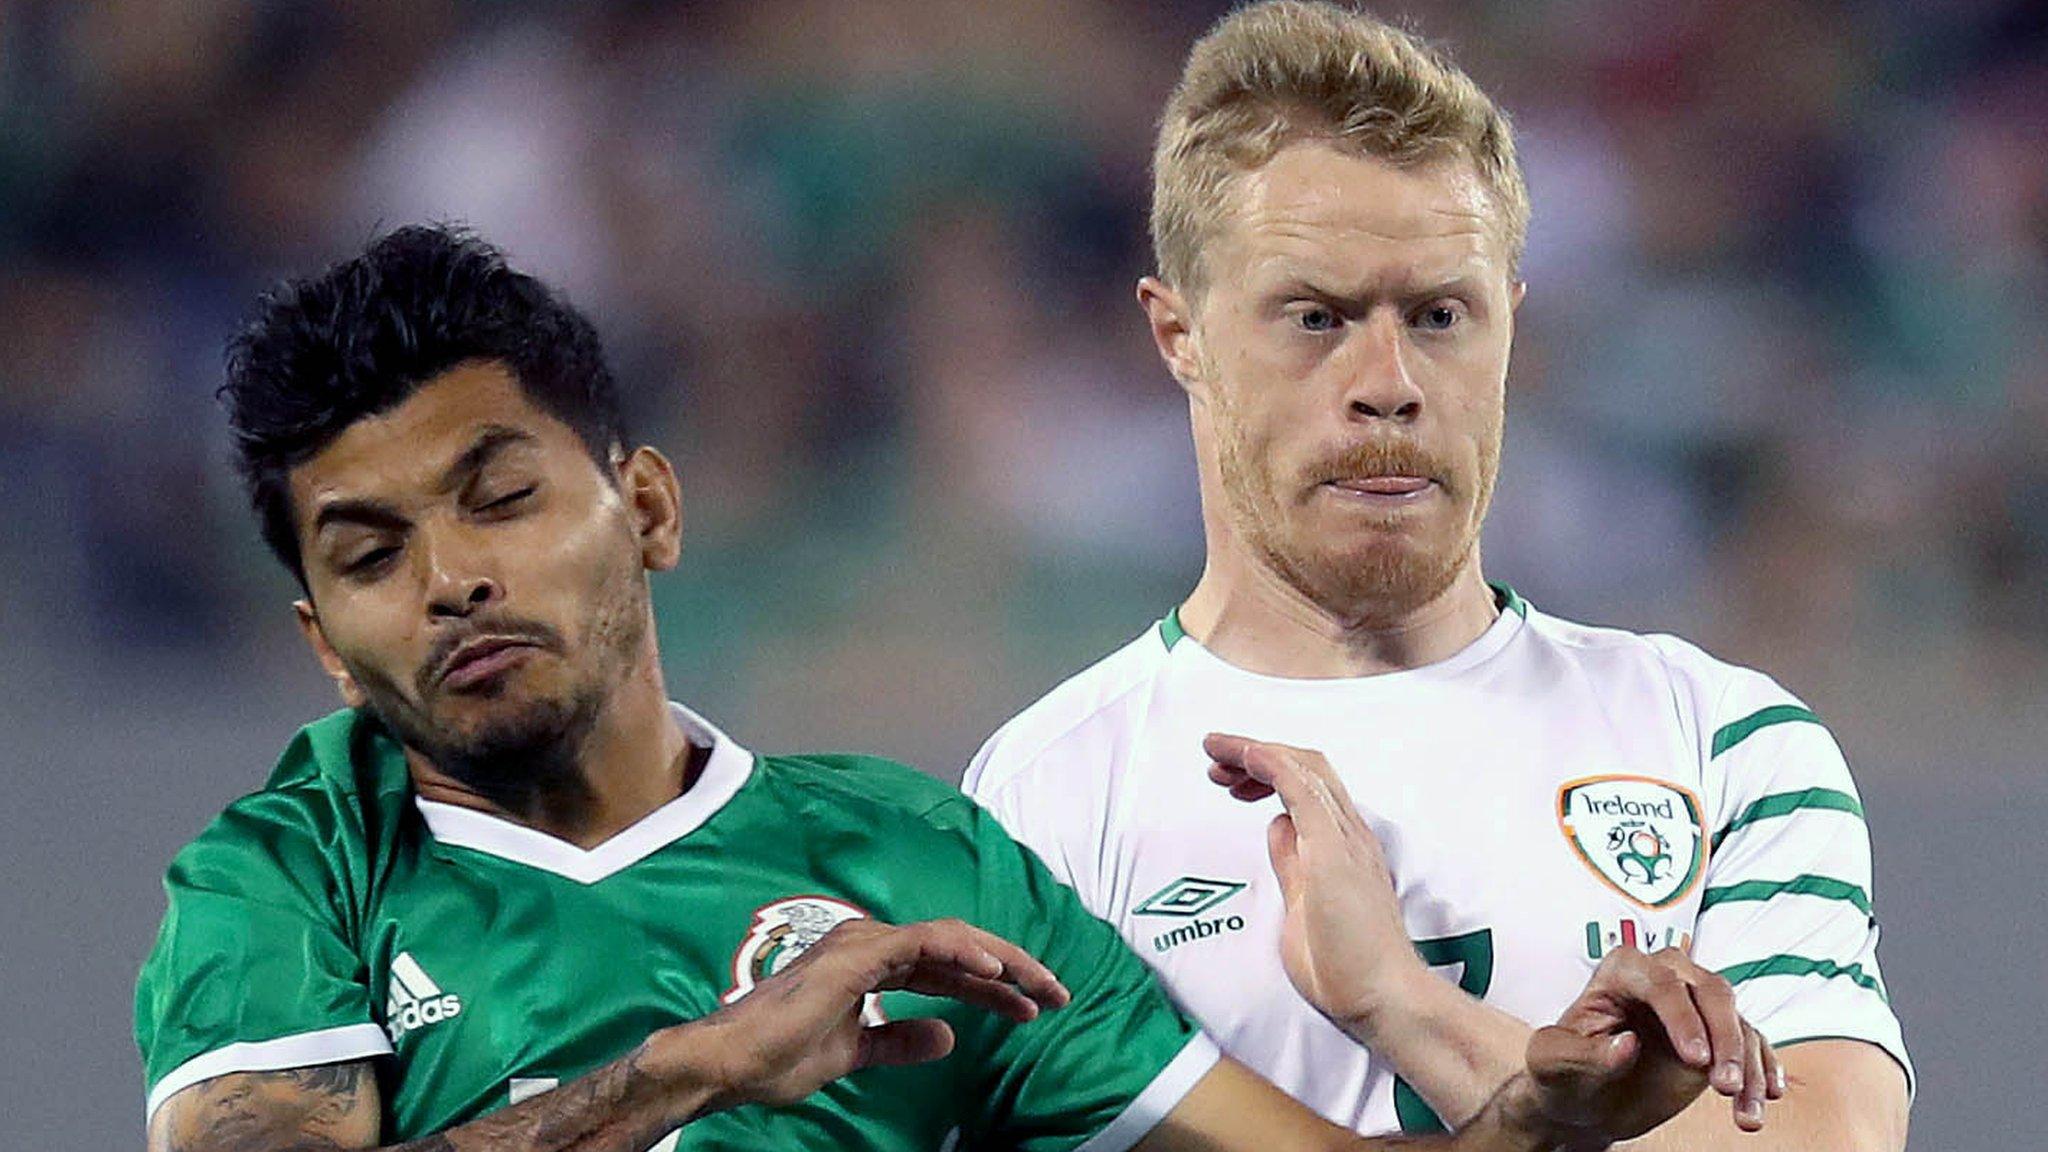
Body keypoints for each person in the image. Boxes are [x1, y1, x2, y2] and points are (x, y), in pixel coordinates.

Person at [136, 225, 1778, 1152]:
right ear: (322, 639)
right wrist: (699, 1064)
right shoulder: (292, 870)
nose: (449, 578)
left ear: (643, 507)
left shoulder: (917, 868)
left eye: (499, 496)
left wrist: (1545, 1116)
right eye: (368, 551)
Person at [964, 3, 1911, 1150]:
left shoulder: (1722, 741)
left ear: (1508, 326)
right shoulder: (1043, 803)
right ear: (1180, 338)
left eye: (1439, 316)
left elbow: (1829, 1143)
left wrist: (1404, 1008)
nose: (1388, 382)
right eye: (1313, 316)